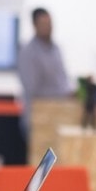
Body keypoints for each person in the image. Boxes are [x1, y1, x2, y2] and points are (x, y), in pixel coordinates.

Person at [17, 8, 72, 138]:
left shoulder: (56, 49)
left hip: (57, 118)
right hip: (37, 119)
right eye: (44, 24)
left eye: (50, 23)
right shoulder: (28, 52)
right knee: (40, 157)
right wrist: (63, 94)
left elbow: (62, 79)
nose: (48, 27)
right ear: (35, 26)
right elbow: (32, 89)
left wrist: (70, 91)